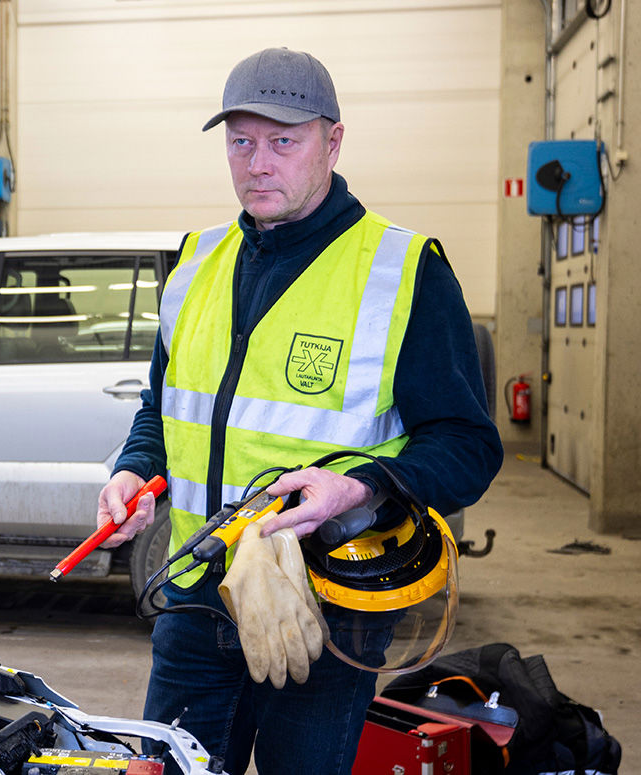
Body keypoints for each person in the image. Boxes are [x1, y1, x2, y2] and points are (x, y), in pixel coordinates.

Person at [94, 47, 503, 773]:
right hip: (194, 603)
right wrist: (135, 473)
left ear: (333, 140)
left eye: (284, 140)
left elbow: (468, 445)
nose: (258, 162)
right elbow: (163, 409)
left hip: (327, 610)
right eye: (240, 140)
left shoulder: (403, 272)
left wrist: (362, 484)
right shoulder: (195, 264)